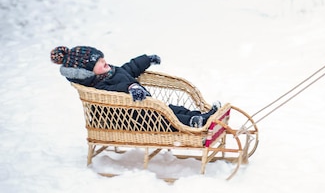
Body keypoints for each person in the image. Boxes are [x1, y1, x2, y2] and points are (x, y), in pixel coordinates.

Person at [50, 45, 219, 128]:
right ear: (88, 72)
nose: (104, 62)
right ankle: (192, 123)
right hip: (130, 119)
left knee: (173, 109)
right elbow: (116, 92)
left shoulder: (110, 72)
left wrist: (146, 60)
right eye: (99, 63)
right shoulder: (99, 87)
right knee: (165, 119)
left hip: (143, 109)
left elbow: (129, 68)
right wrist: (131, 88)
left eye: (103, 58)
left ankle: (202, 117)